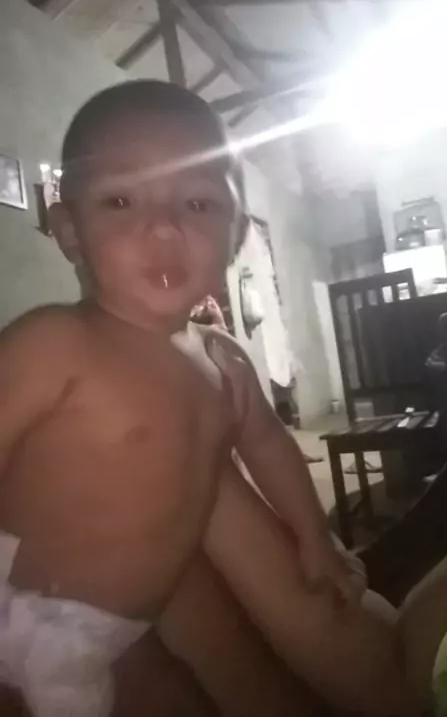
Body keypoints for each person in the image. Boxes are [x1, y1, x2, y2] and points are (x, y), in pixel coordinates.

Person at [0, 80, 412, 716]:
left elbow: (269, 446)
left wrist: (314, 538)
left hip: (112, 633)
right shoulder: (54, 342)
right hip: (18, 602)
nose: (163, 227)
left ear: (236, 233)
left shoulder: (224, 359)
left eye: (197, 203)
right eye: (120, 200)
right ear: (70, 230)